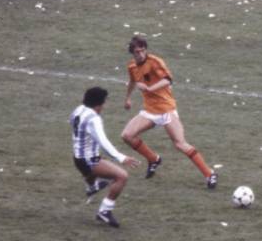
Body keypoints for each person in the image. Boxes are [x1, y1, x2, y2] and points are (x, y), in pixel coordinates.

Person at [121, 36, 218, 188]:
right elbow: (133, 81)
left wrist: (150, 89)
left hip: (166, 109)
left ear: (146, 50)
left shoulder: (154, 62)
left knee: (180, 144)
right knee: (127, 135)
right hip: (150, 110)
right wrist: (127, 98)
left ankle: (209, 174)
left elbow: (168, 79)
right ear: (132, 53)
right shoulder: (132, 66)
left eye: (142, 50)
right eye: (136, 52)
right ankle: (153, 159)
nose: (140, 54)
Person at [70, 87, 140, 228]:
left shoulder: (77, 110)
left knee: (95, 172)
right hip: (89, 160)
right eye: (104, 102)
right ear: (98, 104)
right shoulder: (93, 119)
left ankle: (92, 186)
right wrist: (121, 158)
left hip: (78, 157)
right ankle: (104, 211)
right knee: (122, 176)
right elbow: (103, 142)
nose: (105, 106)